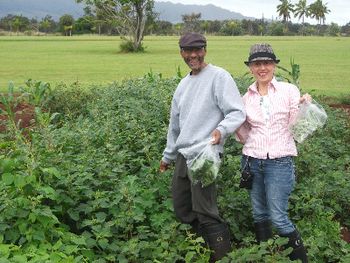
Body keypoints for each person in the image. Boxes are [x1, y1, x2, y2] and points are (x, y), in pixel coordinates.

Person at [159, 32, 246, 262]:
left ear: (205, 50)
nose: (193, 55)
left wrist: (222, 130)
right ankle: (201, 251)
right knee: (183, 207)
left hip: (205, 153)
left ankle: (221, 256)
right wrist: (167, 156)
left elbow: (237, 111)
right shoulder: (183, 84)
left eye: (198, 49)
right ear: (182, 53)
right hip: (183, 154)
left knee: (205, 209)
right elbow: (175, 125)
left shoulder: (219, 77)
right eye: (188, 51)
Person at [236, 43, 309, 262]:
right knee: (259, 214)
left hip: (279, 162)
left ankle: (300, 259)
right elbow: (243, 135)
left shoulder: (288, 91)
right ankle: (266, 256)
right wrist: (231, 120)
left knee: (278, 218)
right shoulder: (245, 98)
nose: (262, 68)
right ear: (250, 68)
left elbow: (297, 127)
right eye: (257, 64)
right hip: (251, 161)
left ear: (274, 66)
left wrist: (304, 107)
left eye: (266, 63)